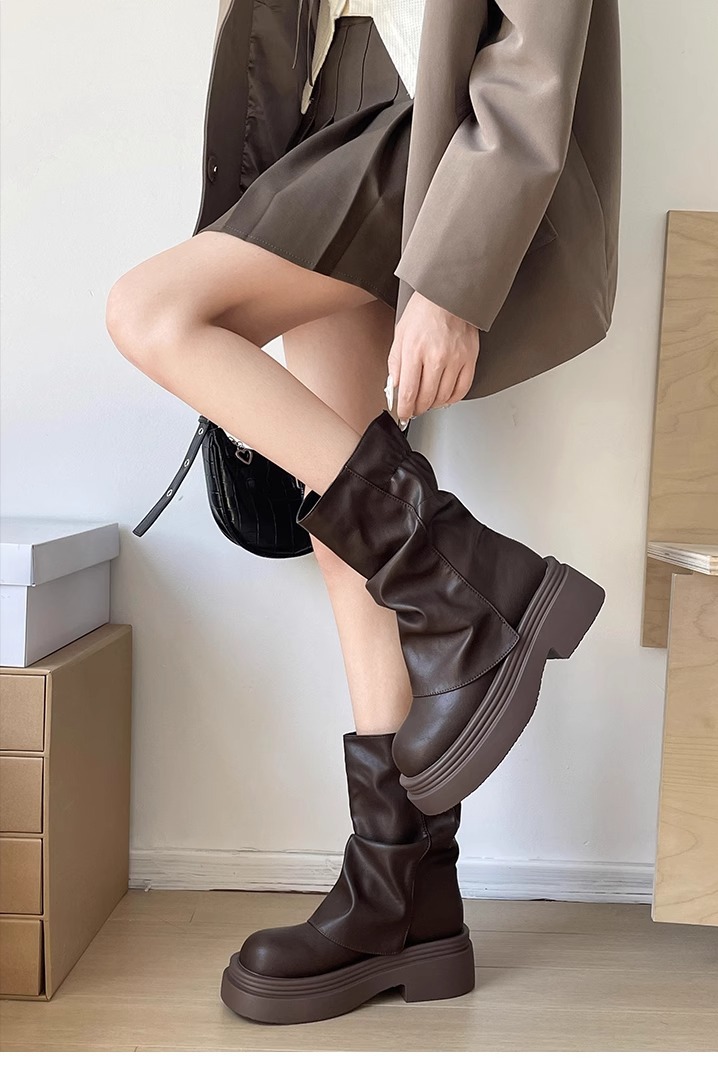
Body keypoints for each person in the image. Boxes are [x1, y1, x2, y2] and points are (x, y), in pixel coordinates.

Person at [105, 0, 621, 1025]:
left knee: (152, 311)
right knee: (348, 540)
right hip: (322, 106)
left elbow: (537, 40)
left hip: (438, 115)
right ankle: (405, 902)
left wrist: (453, 279)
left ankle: (475, 584)